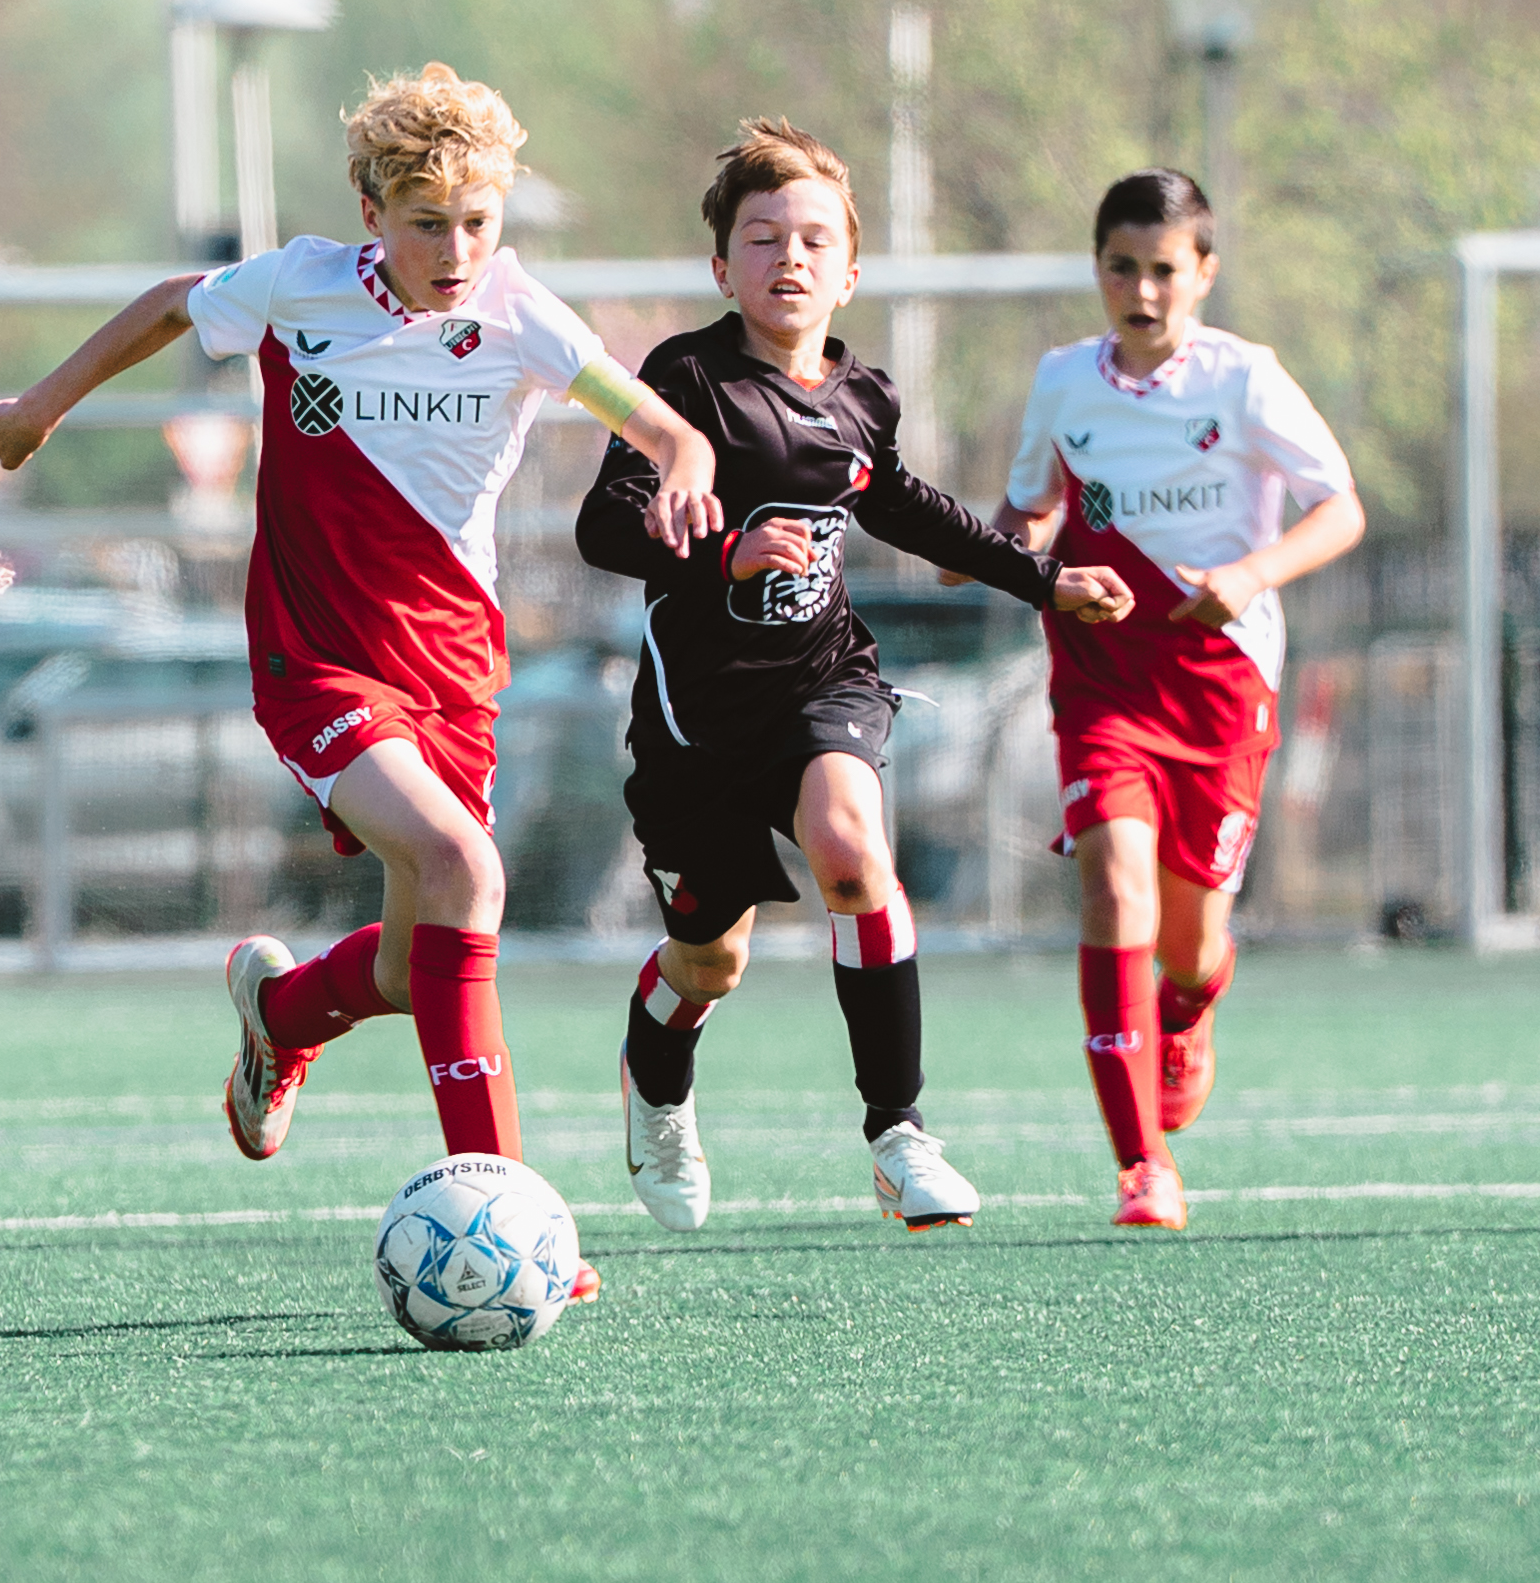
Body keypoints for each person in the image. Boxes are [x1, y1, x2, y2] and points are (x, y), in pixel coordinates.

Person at [0, 64, 721, 1270]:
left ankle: (280, 1016)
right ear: (374, 209)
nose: (456, 247)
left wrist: (684, 455)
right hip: (317, 661)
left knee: (401, 961)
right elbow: (178, 302)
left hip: (453, 675)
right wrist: (42, 405)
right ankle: (514, 1218)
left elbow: (655, 421)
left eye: (477, 222)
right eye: (428, 221)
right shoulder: (305, 285)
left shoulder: (523, 312)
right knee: (462, 866)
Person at [575, 120, 1136, 1233]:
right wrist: (718, 546)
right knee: (708, 957)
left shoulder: (860, 396)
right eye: (763, 236)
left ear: (849, 269)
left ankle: (898, 1133)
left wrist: (1043, 579)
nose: (790, 257)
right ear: (721, 264)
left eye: (814, 239)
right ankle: (657, 1083)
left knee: (850, 846)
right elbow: (604, 524)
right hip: (699, 725)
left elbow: (908, 504)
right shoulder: (681, 376)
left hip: (823, 681)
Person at [967, 168, 1364, 1230]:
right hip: (1102, 677)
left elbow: (1341, 510)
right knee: (1114, 889)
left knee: (1187, 945)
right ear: (1098, 269)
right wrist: (982, 548)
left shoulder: (1244, 381)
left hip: (1221, 682)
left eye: (1164, 270)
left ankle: (1186, 1010)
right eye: (1121, 268)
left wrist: (1250, 574)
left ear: (1203, 273)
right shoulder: (1063, 381)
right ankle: (1141, 1162)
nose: (1142, 290)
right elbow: (1031, 510)